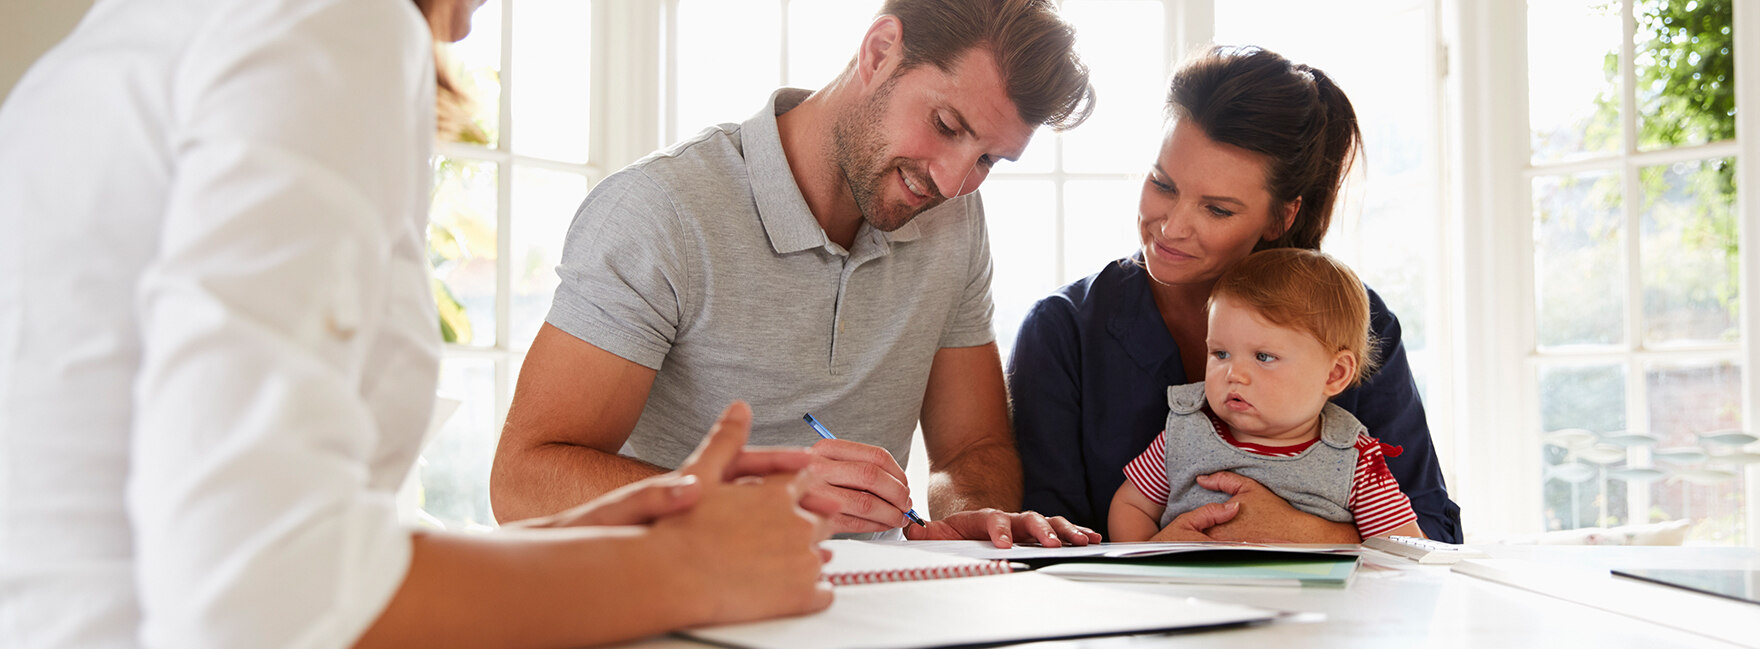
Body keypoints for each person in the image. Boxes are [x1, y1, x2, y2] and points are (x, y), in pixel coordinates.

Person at [0, 1, 836, 647]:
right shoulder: (330, 24)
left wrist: (575, 542)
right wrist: (686, 570)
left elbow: (226, 527)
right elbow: (258, 596)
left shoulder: (148, 34)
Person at [491, 0, 1102, 548]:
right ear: (879, 51)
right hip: (672, 602)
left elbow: (972, 449)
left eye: (988, 159)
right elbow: (522, 483)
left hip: (869, 613)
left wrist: (969, 518)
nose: (952, 182)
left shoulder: (956, 220)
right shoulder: (660, 210)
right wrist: (756, 499)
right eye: (946, 125)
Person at [1009, 44, 1463, 543]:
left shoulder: (1355, 323)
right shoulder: (1064, 330)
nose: (1172, 227)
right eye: (1162, 184)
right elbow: (1045, 547)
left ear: (1281, 217)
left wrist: (1301, 532)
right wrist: (1154, 557)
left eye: (1218, 209)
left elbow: (1431, 539)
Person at [1108, 248, 1425, 542]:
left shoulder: (1355, 460)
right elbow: (1131, 506)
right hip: (1192, 596)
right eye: (1220, 353)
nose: (1235, 374)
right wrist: (1150, 554)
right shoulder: (1185, 431)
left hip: (1309, 601)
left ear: (1335, 374)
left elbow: (1402, 548)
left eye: (1263, 357)